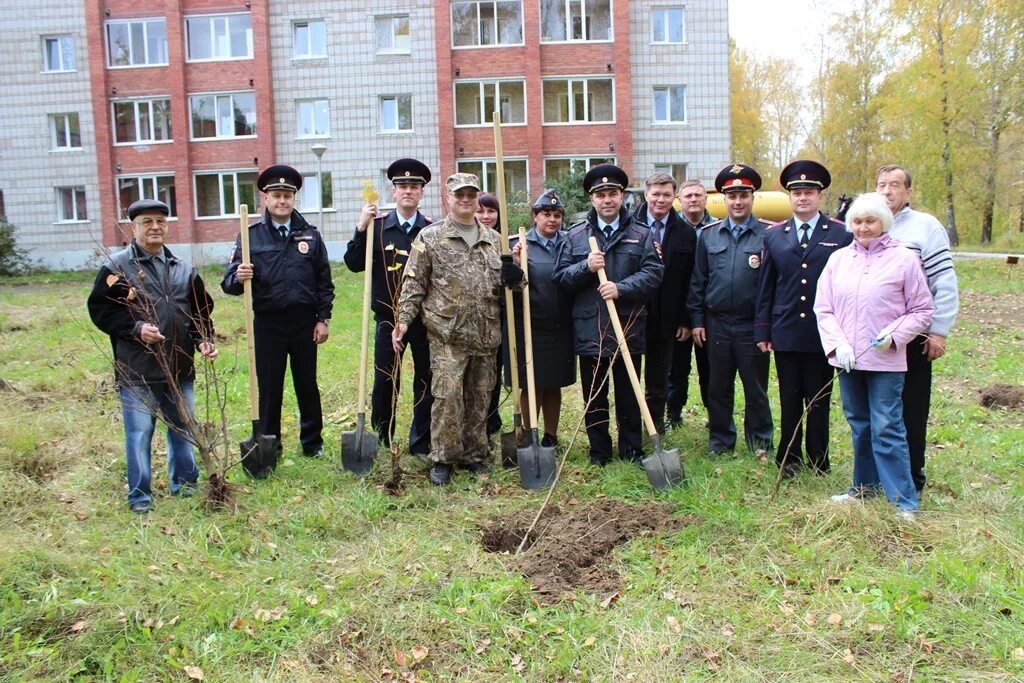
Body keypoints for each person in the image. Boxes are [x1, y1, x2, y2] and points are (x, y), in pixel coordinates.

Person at [88, 199, 218, 513]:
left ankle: (185, 486)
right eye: (147, 222)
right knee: (139, 432)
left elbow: (201, 311)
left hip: (179, 367)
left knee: (183, 428)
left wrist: (204, 340)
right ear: (134, 227)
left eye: (160, 221)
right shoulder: (117, 269)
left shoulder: (183, 269)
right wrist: (135, 329)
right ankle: (140, 497)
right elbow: (100, 310)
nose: (155, 227)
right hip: (138, 369)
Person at [392, 173, 524, 485]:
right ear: (448, 198)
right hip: (447, 334)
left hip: (485, 334)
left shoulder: (495, 241)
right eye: (458, 195)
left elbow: (513, 291)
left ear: (477, 199)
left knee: (480, 398)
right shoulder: (431, 237)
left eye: (470, 195)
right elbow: (413, 283)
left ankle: (474, 455)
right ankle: (443, 458)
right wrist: (403, 320)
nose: (465, 200)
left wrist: (515, 276)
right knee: (448, 397)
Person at [814, 192, 934, 520]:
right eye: (857, 221)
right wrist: (839, 345)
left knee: (886, 426)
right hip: (849, 359)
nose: (863, 227)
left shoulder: (904, 259)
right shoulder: (838, 260)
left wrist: (895, 335)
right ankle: (863, 489)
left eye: (870, 221)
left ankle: (903, 500)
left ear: (884, 222)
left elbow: (922, 309)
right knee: (859, 425)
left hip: (885, 361)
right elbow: (823, 308)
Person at [552, 164, 663, 466]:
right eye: (600, 195)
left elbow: (654, 274)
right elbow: (560, 278)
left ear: (622, 196)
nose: (607, 200)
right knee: (594, 396)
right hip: (591, 329)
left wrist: (621, 288)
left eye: (612, 193)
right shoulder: (575, 236)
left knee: (629, 394)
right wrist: (585, 268)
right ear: (592, 199)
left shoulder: (642, 234)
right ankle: (599, 452)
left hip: (627, 327)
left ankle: (631, 450)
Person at [222, 165, 334, 458]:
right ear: (266, 199)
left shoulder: (309, 235)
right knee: (269, 386)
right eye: (276, 195)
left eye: (287, 195)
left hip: (303, 323)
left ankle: (312, 443)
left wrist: (323, 319)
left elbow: (324, 280)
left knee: (306, 384)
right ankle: (269, 441)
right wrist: (239, 276)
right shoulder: (250, 236)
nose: (282, 200)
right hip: (268, 323)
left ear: (294, 198)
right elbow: (229, 282)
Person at [755, 160, 853, 477]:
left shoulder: (840, 235)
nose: (802, 198)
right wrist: (763, 329)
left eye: (809, 192)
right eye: (797, 193)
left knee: (820, 399)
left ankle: (818, 459)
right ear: (789, 197)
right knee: (790, 398)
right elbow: (766, 286)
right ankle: (789, 459)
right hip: (785, 330)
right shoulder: (774, 236)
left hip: (822, 331)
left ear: (820, 196)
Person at [876, 165, 959, 494]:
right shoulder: (870, 225)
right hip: (875, 339)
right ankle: (879, 475)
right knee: (880, 411)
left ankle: (911, 478)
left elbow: (945, 283)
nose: (887, 191)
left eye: (894, 185)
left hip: (912, 338)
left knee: (910, 409)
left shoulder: (925, 228)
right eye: (881, 185)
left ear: (908, 192)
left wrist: (939, 331)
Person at [344, 158, 433, 459]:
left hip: (423, 320)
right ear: (393, 191)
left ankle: (420, 442)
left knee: (426, 380)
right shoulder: (377, 228)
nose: (408, 191)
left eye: (414, 186)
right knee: (384, 380)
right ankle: (383, 437)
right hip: (387, 318)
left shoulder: (431, 231)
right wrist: (360, 228)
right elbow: (353, 264)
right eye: (402, 186)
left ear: (421, 192)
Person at [687, 163, 773, 456]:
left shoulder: (767, 235)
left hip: (753, 326)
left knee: (756, 389)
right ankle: (721, 442)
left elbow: (771, 285)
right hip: (717, 324)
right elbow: (698, 282)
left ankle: (760, 442)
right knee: (718, 388)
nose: (738, 202)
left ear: (752, 198)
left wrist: (767, 325)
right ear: (723, 199)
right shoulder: (709, 235)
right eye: (732, 196)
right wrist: (697, 320)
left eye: (743, 195)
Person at [508, 189, 576, 446]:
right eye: (546, 214)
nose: (552, 220)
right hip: (531, 325)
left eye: (557, 215)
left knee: (554, 382)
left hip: (560, 324)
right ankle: (530, 435)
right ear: (535, 216)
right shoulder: (521, 243)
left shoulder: (569, 242)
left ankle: (551, 436)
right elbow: (511, 287)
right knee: (533, 383)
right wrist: (516, 264)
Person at [631, 172, 697, 433]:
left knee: (660, 376)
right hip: (634, 313)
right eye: (655, 194)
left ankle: (655, 424)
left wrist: (685, 319)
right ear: (646, 194)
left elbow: (689, 280)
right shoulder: (630, 226)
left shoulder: (686, 233)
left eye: (667, 194)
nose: (660, 200)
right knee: (630, 376)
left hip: (668, 317)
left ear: (675, 197)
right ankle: (632, 424)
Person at [666, 180, 715, 426]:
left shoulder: (717, 227)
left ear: (706, 198)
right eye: (688, 196)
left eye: (698, 195)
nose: (693, 200)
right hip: (679, 312)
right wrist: (683, 318)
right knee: (676, 368)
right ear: (680, 200)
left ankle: (713, 413)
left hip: (710, 311)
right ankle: (673, 413)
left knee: (710, 368)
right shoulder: (672, 229)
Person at [474, 192, 506, 445]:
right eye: (480, 211)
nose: (486, 217)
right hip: (473, 323)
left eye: (491, 211)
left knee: (495, 372)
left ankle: (492, 418)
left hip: (501, 318)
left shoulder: (505, 243)